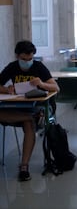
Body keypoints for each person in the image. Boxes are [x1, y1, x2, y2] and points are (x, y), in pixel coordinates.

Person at [0, 40, 60, 181]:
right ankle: (28, 117)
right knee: (24, 118)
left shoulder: (38, 67)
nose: (27, 62)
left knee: (29, 125)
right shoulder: (12, 67)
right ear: (17, 57)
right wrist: (7, 90)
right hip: (17, 108)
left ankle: (24, 166)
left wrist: (41, 83)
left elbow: (56, 88)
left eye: (30, 59)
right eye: (23, 59)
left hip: (36, 107)